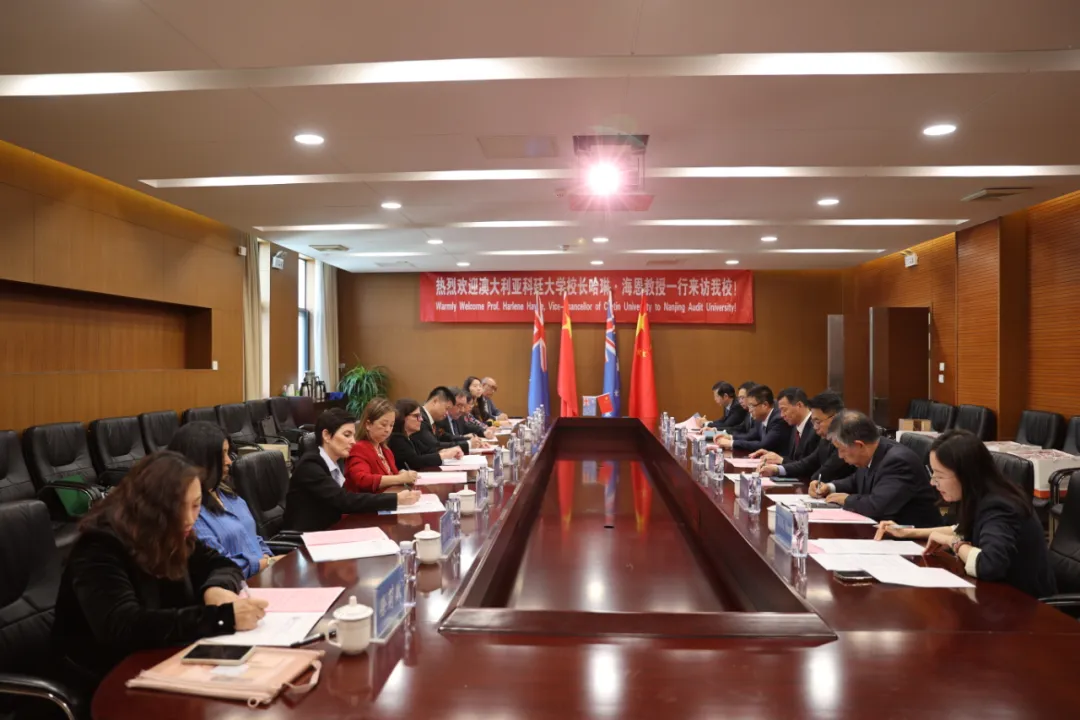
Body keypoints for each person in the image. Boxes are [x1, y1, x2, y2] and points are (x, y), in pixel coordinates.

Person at [52, 452, 269, 690]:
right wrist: (222, 618)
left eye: (196, 505)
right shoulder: (99, 545)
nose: (189, 519)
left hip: (168, 658)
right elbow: (124, 627)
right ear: (149, 507)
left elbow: (221, 564)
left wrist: (216, 588)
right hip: (106, 676)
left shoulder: (173, 531)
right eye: (178, 508)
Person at [877, 430, 1056, 598]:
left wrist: (953, 543)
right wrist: (907, 532)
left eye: (939, 475)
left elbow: (989, 565)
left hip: (1024, 605)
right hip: (998, 597)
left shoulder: (1000, 507)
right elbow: (962, 529)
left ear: (965, 475)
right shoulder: (980, 495)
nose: (932, 482)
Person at [167, 421, 283, 579]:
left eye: (228, 453)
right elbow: (218, 566)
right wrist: (267, 563)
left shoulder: (228, 494)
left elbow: (253, 537)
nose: (229, 461)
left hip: (264, 577)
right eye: (222, 455)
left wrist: (268, 558)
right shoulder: (191, 511)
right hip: (235, 586)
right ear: (201, 460)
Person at [283, 409, 421, 532]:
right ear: (326, 435)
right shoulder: (310, 465)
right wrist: (395, 499)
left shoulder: (335, 462)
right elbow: (343, 500)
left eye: (353, 436)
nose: (353, 442)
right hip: (307, 539)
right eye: (347, 435)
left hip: (331, 531)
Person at [808, 410, 941, 527]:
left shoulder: (898, 461)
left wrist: (847, 500)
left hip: (915, 540)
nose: (840, 456)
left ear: (859, 445)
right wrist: (829, 487)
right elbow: (856, 480)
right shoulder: (873, 451)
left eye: (841, 449)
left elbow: (878, 507)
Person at [760, 392, 855, 482]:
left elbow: (826, 472)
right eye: (813, 422)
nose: (815, 427)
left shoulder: (848, 441)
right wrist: (776, 469)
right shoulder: (825, 439)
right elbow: (807, 463)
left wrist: (813, 482)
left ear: (835, 418)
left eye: (818, 421)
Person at [345, 397, 419, 493]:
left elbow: (391, 478)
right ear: (368, 424)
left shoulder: (386, 450)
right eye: (383, 424)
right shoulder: (359, 448)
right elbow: (362, 479)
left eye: (391, 425)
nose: (388, 430)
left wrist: (401, 474)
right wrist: (399, 478)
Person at [388, 398, 463, 470]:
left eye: (420, 416)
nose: (421, 419)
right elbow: (415, 462)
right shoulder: (397, 439)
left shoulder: (412, 436)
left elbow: (425, 451)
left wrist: (443, 451)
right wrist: (443, 455)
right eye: (416, 416)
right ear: (403, 417)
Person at [716, 385, 792, 454]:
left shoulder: (778, 420)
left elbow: (763, 445)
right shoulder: (760, 418)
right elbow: (751, 436)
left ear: (765, 405)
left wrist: (731, 443)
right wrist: (730, 437)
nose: (750, 410)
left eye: (752, 406)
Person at [750, 387, 818, 464]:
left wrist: (781, 460)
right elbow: (793, 459)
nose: (782, 415)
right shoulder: (794, 427)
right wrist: (773, 456)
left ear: (799, 405)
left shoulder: (816, 429)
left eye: (784, 409)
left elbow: (809, 466)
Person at [418, 386, 469, 454]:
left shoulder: (433, 420)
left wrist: (467, 440)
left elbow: (445, 437)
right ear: (435, 401)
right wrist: (468, 444)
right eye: (446, 408)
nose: (447, 413)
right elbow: (434, 445)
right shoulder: (419, 418)